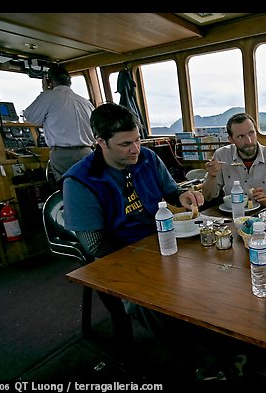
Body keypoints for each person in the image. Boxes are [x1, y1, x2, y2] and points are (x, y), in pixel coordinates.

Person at [62, 102, 206, 376]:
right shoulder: (80, 181)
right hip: (118, 256)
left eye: (138, 139)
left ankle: (217, 337)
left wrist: (182, 197)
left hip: (160, 240)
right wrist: (150, 258)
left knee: (212, 267)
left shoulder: (149, 158)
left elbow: (171, 191)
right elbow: (95, 245)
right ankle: (201, 360)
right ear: (101, 142)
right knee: (152, 302)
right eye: (126, 144)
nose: (136, 149)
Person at [202, 112, 266, 207]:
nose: (249, 141)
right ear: (231, 139)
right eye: (241, 136)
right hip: (233, 213)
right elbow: (208, 196)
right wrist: (212, 176)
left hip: (265, 214)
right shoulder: (221, 155)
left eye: (251, 133)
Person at [23, 64, 96, 185]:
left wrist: (45, 91)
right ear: (69, 82)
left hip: (63, 155)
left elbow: (30, 117)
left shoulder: (48, 97)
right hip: (88, 152)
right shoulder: (85, 102)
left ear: (49, 81)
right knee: (91, 188)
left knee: (68, 190)